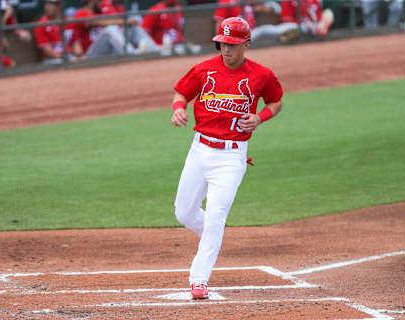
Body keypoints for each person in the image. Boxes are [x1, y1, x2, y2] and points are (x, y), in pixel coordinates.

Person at [171, 17, 283, 299]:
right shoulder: (203, 69)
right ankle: (213, 234)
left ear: (246, 44)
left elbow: (276, 101)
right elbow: (181, 93)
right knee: (184, 212)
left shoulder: (262, 75)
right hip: (199, 151)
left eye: (232, 45)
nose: (226, 49)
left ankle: (199, 279)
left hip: (232, 158)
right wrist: (177, 109)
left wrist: (260, 117)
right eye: (221, 43)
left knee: (216, 217)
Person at [71, 0, 159, 57]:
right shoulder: (80, 13)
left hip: (108, 51)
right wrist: (124, 21)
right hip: (90, 54)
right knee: (110, 30)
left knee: (131, 27)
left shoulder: (99, 13)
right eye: (98, 1)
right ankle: (132, 54)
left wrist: (127, 23)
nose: (101, 3)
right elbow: (94, 22)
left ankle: (156, 50)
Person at [250, 0, 334, 43]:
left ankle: (320, 30)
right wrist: (305, 24)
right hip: (294, 26)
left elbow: (318, 17)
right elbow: (287, 20)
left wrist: (313, 23)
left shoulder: (314, 1)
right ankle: (243, 42)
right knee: (262, 30)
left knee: (328, 13)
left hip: (313, 25)